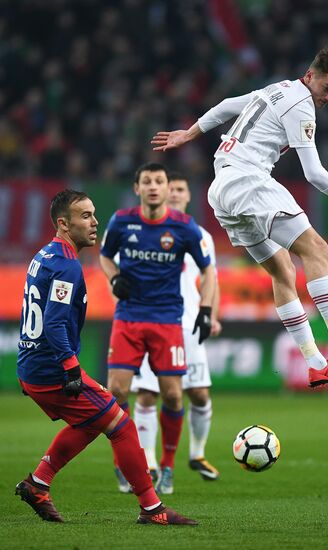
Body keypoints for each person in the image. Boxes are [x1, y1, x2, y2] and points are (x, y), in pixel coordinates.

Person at [151, 44, 328, 387]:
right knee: (317, 249)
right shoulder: (302, 104)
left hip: (222, 190)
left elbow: (226, 106)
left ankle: (315, 363)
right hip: (249, 180)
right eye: (327, 88)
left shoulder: (275, 89)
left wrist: (190, 133)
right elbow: (314, 173)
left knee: (283, 270)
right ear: (311, 76)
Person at [15, 189, 197, 526]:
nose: (95, 221)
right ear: (63, 224)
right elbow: (54, 322)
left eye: (94, 213)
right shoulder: (68, 267)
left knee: (92, 421)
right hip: (51, 368)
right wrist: (70, 368)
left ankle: (38, 483)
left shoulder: (44, 255)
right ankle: (152, 509)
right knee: (122, 426)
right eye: (85, 216)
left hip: (32, 364)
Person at [100, 163, 215, 495]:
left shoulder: (184, 227)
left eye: (159, 181)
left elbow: (208, 271)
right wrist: (114, 278)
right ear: (137, 188)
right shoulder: (121, 221)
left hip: (167, 320)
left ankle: (167, 466)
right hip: (129, 317)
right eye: (146, 181)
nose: (153, 186)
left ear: (167, 188)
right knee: (117, 391)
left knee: (174, 395)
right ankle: (122, 462)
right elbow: (106, 257)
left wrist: (206, 310)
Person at [131, 173, 221, 492]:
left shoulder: (201, 235)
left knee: (197, 393)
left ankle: (196, 454)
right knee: (147, 393)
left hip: (189, 323)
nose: (174, 194)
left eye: (181, 189)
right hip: (151, 320)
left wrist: (212, 313)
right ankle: (149, 463)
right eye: (171, 189)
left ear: (187, 196)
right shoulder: (143, 231)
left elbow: (212, 279)